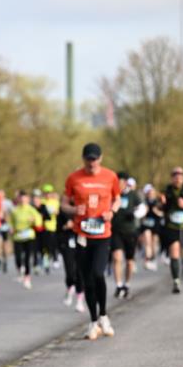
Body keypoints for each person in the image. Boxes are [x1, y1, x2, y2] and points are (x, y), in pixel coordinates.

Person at [62, 142, 120, 340]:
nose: (91, 163)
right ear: (83, 159)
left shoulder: (110, 176)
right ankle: (93, 321)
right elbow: (63, 203)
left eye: (95, 159)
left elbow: (117, 199)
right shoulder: (74, 178)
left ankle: (104, 315)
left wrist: (112, 212)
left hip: (102, 234)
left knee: (98, 273)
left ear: (100, 159)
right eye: (88, 159)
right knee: (87, 279)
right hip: (82, 234)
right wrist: (72, 209)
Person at [157, 166, 183, 294]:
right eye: (175, 176)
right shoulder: (166, 191)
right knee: (174, 252)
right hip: (171, 226)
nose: (177, 178)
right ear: (172, 178)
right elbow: (158, 207)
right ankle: (176, 280)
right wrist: (161, 203)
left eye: (180, 176)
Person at [111, 176, 141, 299]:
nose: (119, 185)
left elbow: (142, 207)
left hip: (130, 231)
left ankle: (127, 284)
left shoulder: (133, 194)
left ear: (125, 183)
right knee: (117, 258)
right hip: (115, 231)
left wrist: (135, 214)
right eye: (117, 183)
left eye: (121, 183)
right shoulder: (112, 194)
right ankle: (119, 286)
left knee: (129, 261)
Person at [7, 190, 43, 289]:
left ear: (27, 199)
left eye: (24, 198)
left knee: (27, 257)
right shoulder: (15, 210)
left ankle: (27, 277)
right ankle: (20, 268)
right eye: (21, 198)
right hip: (18, 236)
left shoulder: (31, 209)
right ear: (18, 199)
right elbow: (10, 222)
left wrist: (34, 220)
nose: (23, 200)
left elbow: (39, 221)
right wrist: (11, 228)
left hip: (29, 235)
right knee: (18, 257)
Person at [139, 184, 161, 270]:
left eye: (152, 192)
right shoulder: (144, 202)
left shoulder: (158, 201)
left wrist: (156, 211)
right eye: (149, 192)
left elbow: (162, 213)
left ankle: (153, 258)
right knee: (148, 242)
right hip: (146, 224)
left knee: (154, 243)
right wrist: (145, 211)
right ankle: (147, 260)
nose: (151, 194)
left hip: (156, 224)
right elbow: (141, 214)